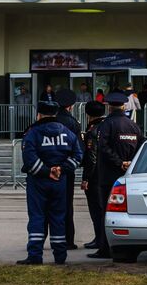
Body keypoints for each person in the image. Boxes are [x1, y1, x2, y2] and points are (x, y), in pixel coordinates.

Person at [19, 99, 83, 265]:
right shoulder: (67, 132)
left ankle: (35, 255)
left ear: (39, 114)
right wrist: (61, 169)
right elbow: (78, 155)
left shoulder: (33, 133)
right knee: (58, 217)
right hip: (60, 182)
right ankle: (60, 255)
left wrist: (47, 172)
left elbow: (29, 159)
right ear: (55, 114)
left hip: (38, 182)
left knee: (37, 217)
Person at [93, 91, 144, 258]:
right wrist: (129, 162)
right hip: (128, 177)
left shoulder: (106, 125)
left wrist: (118, 162)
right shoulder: (132, 125)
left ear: (109, 106)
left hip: (108, 176)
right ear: (123, 106)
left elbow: (103, 147)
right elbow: (140, 145)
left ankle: (105, 249)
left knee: (105, 212)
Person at [52, 89, 83, 248]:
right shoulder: (73, 123)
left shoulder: (50, 120)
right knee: (66, 205)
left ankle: (44, 238)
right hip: (66, 169)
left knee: (46, 206)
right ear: (71, 106)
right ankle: (68, 240)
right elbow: (78, 149)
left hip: (48, 170)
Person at [80, 100, 107, 252]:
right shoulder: (108, 126)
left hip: (96, 176)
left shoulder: (93, 130)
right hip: (109, 173)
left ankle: (99, 239)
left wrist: (86, 178)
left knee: (96, 209)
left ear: (88, 114)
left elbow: (91, 157)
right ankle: (100, 238)